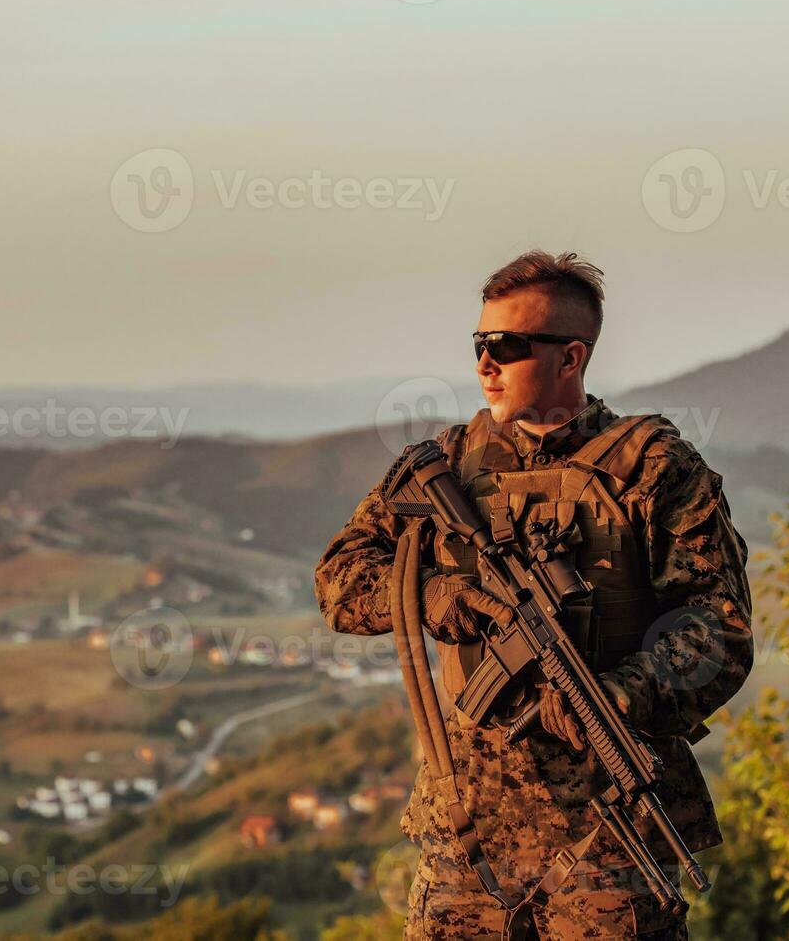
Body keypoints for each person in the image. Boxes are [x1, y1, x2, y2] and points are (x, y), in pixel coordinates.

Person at [314, 250, 753, 939]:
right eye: (479, 344)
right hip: (468, 835)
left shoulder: (653, 467)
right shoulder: (447, 467)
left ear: (571, 358)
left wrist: (620, 695)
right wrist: (430, 595)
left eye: (508, 347)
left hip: (607, 836)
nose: (485, 364)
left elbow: (718, 630)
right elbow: (340, 579)